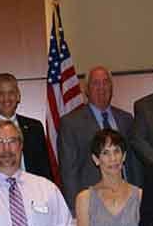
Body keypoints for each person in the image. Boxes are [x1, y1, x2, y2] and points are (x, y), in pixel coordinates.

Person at [58, 66, 140, 214]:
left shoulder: (126, 119)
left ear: (112, 87)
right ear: (87, 89)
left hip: (128, 200)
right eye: (96, 83)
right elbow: (69, 173)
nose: (101, 87)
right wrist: (76, 211)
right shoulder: (71, 123)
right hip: (93, 204)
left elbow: (134, 165)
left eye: (105, 82)